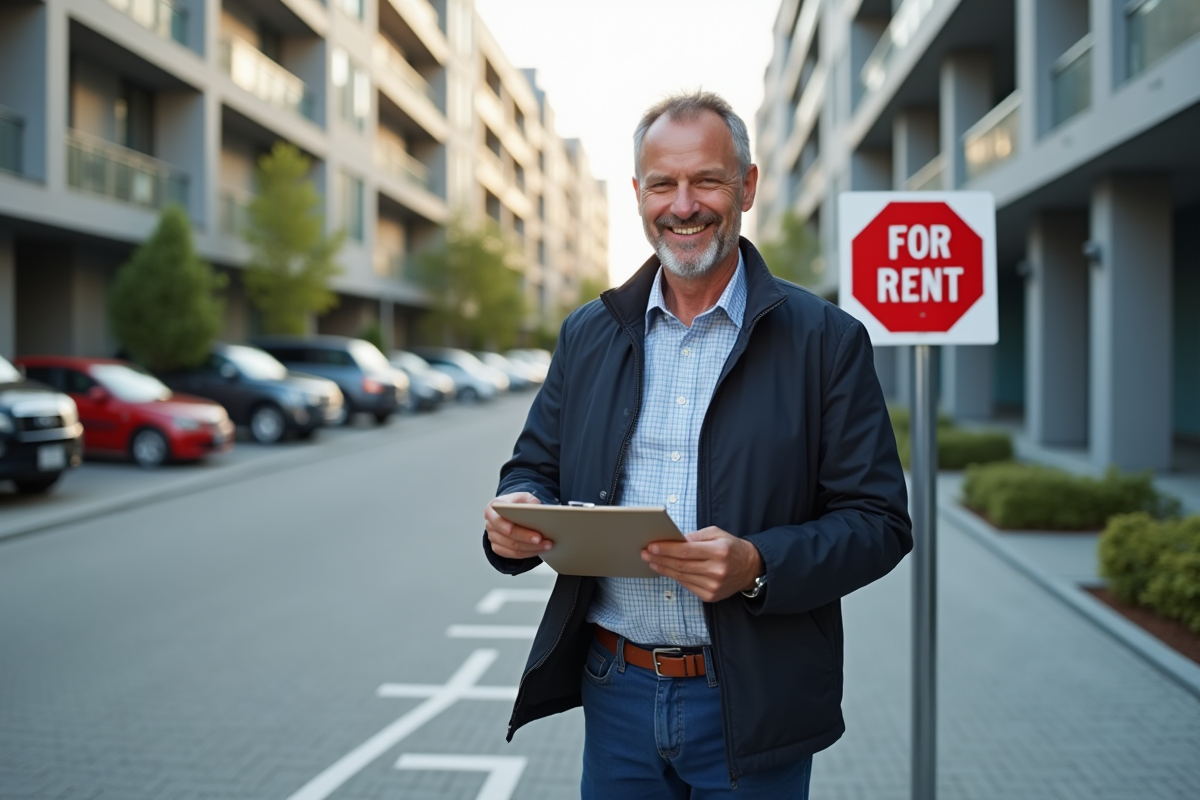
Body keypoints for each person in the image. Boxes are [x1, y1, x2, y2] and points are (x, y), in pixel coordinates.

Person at [483, 91, 912, 799]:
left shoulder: (826, 341)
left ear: (746, 185)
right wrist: (519, 512)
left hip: (752, 702)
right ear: (639, 194)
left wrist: (758, 563)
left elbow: (879, 521)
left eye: (706, 180)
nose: (684, 205)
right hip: (614, 689)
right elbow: (534, 464)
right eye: (663, 184)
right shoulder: (588, 334)